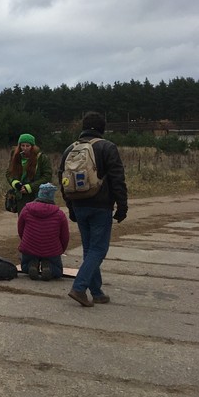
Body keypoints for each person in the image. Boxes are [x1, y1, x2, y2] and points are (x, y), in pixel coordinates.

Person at [59, 111, 128, 307]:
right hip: (100, 205)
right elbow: (117, 179)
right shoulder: (107, 147)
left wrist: (70, 206)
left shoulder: (69, 149)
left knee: (90, 249)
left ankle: (97, 292)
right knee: (99, 249)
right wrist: (122, 206)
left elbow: (62, 180)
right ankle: (79, 288)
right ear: (102, 128)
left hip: (78, 204)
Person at [17, 182, 70, 280]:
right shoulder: (59, 214)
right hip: (51, 250)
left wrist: (24, 242)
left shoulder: (26, 209)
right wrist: (60, 250)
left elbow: (20, 229)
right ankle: (49, 267)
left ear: (39, 194)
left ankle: (31, 265)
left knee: (24, 266)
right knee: (58, 272)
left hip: (29, 247)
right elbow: (65, 236)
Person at [5, 133, 53, 214]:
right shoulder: (15, 156)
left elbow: (47, 176)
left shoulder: (42, 158)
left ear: (32, 146)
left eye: (28, 146)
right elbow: (9, 173)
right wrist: (15, 183)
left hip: (36, 195)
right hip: (21, 196)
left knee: (35, 220)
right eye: (22, 145)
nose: (25, 148)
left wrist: (30, 187)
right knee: (23, 220)